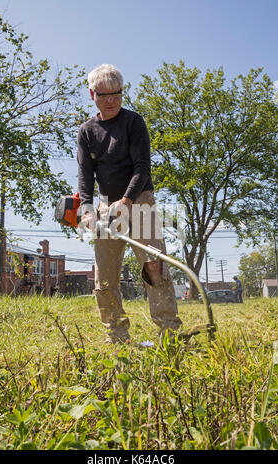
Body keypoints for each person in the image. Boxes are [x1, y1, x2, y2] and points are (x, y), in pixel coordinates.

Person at [77, 64, 182, 344]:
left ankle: (168, 333)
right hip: (106, 208)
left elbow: (142, 167)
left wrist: (127, 200)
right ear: (92, 95)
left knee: (154, 267)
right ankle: (117, 335)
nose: (111, 100)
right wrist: (86, 207)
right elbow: (85, 174)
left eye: (117, 94)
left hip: (140, 201)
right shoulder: (87, 132)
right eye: (104, 95)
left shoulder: (133, 122)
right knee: (105, 276)